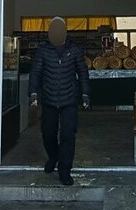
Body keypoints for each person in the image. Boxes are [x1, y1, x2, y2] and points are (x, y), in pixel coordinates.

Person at [29, 17, 91, 186]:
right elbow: (36, 73)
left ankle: (65, 170)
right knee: (48, 133)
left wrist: (85, 94)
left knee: (67, 136)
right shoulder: (43, 51)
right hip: (49, 100)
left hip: (69, 101)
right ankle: (53, 157)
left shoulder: (74, 50)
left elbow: (83, 73)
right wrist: (33, 93)